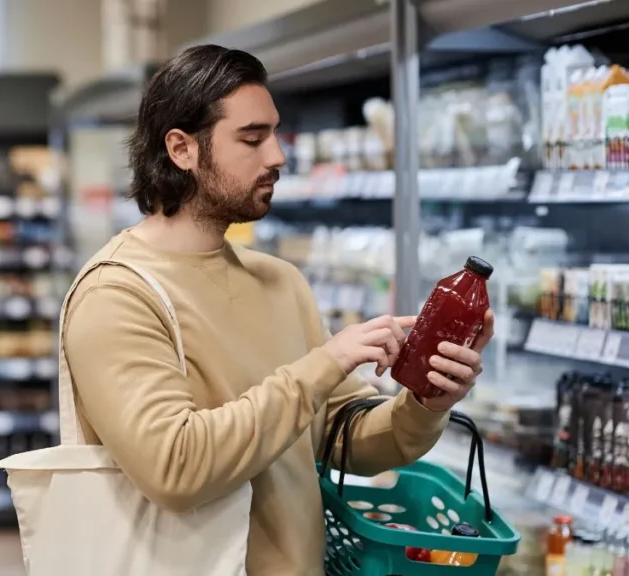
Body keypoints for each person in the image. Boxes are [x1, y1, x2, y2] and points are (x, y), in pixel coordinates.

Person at [62, 45, 494, 575]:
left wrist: (427, 398)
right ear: (181, 149)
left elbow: (342, 436)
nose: (277, 156)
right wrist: (323, 365)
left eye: (275, 133)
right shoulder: (117, 294)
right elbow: (174, 468)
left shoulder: (279, 281)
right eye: (252, 138)